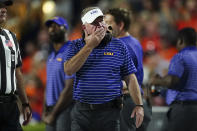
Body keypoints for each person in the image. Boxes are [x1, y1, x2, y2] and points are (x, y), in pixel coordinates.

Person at [64, 7, 144, 131]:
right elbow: (69, 70)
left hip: (109, 113)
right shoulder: (75, 46)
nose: (100, 25)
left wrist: (139, 105)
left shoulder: (119, 45)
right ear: (85, 27)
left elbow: (130, 77)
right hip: (82, 113)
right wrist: (89, 46)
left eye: (101, 21)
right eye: (94, 23)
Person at [104, 8, 151, 131]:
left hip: (126, 101)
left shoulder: (122, 46)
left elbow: (128, 80)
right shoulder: (134, 42)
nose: (104, 26)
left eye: (108, 22)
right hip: (136, 100)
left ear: (120, 25)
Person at [150, 27, 197, 131]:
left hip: (184, 110)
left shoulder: (180, 56)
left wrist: (156, 81)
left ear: (180, 41)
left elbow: (171, 81)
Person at [0, 0, 32, 130]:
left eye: (4, 7)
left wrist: (25, 103)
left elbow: (17, 72)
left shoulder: (11, 37)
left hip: (10, 106)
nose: (4, 9)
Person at [42, 16, 75, 131]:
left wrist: (53, 114)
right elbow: (48, 85)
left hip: (65, 109)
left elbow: (70, 88)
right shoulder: (51, 56)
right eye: (50, 27)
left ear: (65, 29)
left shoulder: (71, 51)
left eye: (56, 26)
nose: (52, 29)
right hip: (51, 109)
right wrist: (45, 110)